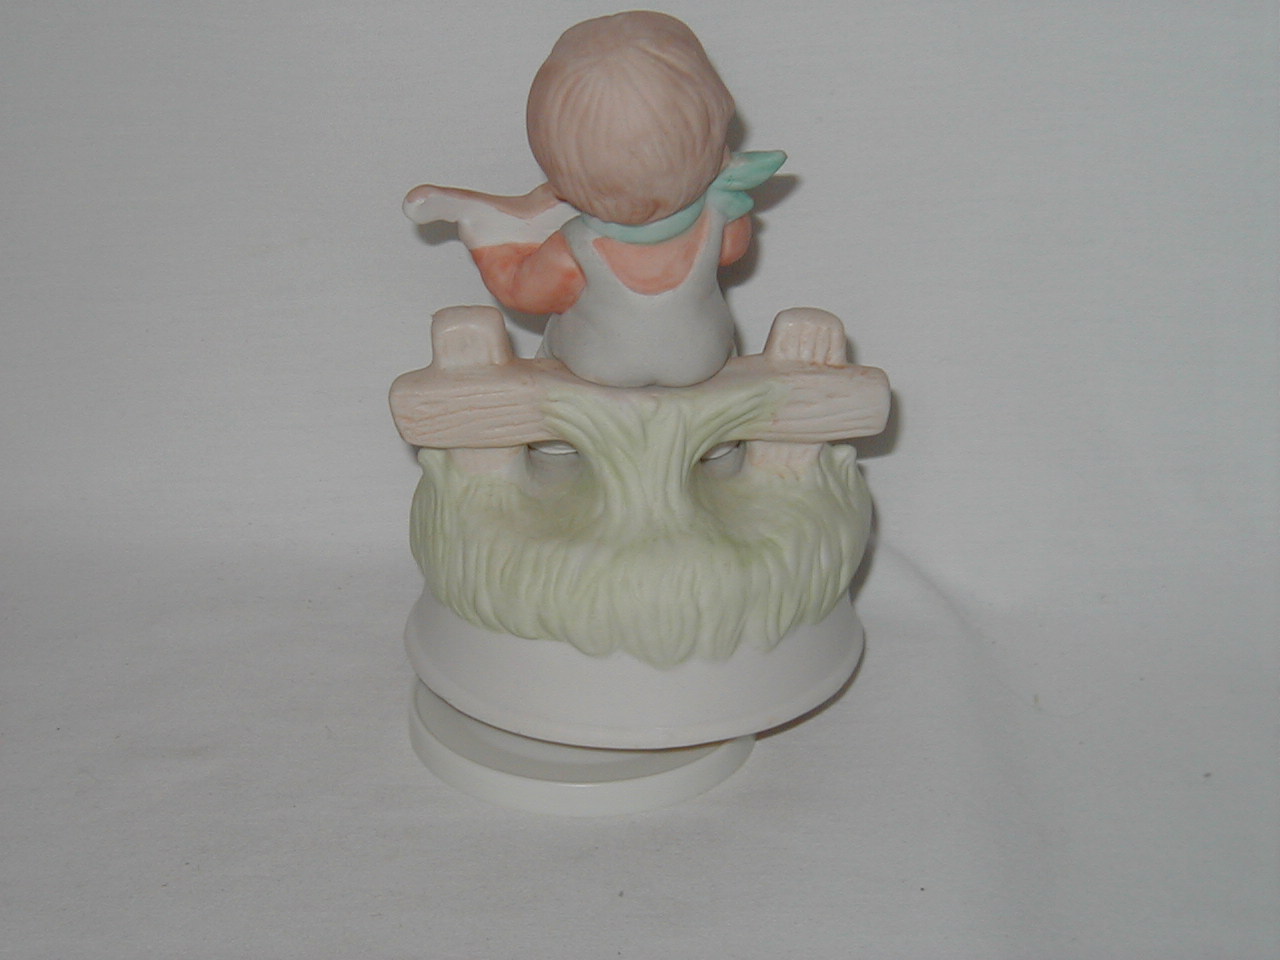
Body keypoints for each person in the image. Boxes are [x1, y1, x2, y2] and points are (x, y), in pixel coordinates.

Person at [404, 11, 783, 387]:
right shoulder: (720, 215)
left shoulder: (574, 245)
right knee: (708, 332)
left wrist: (486, 241)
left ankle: (560, 420)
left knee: (558, 340)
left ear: (562, 182)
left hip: (601, 366)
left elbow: (524, 294)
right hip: (700, 358)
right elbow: (732, 251)